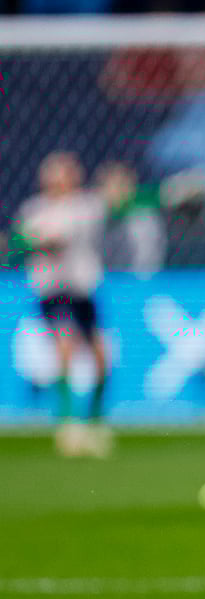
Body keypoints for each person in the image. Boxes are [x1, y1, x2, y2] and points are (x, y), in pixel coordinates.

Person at [15, 152, 113, 458]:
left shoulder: (87, 206)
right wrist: (34, 244)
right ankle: (69, 425)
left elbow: (119, 202)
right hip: (53, 291)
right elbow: (23, 243)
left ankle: (95, 422)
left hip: (83, 290)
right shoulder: (35, 211)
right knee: (65, 346)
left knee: (101, 356)